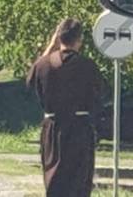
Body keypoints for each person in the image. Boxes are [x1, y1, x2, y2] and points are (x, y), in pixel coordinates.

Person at [27, 18, 103, 197]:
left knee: (54, 181)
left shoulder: (43, 65)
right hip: (79, 127)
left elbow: (30, 82)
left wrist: (50, 47)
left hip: (52, 127)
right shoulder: (87, 66)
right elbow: (100, 94)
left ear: (58, 38)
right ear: (79, 40)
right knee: (78, 182)